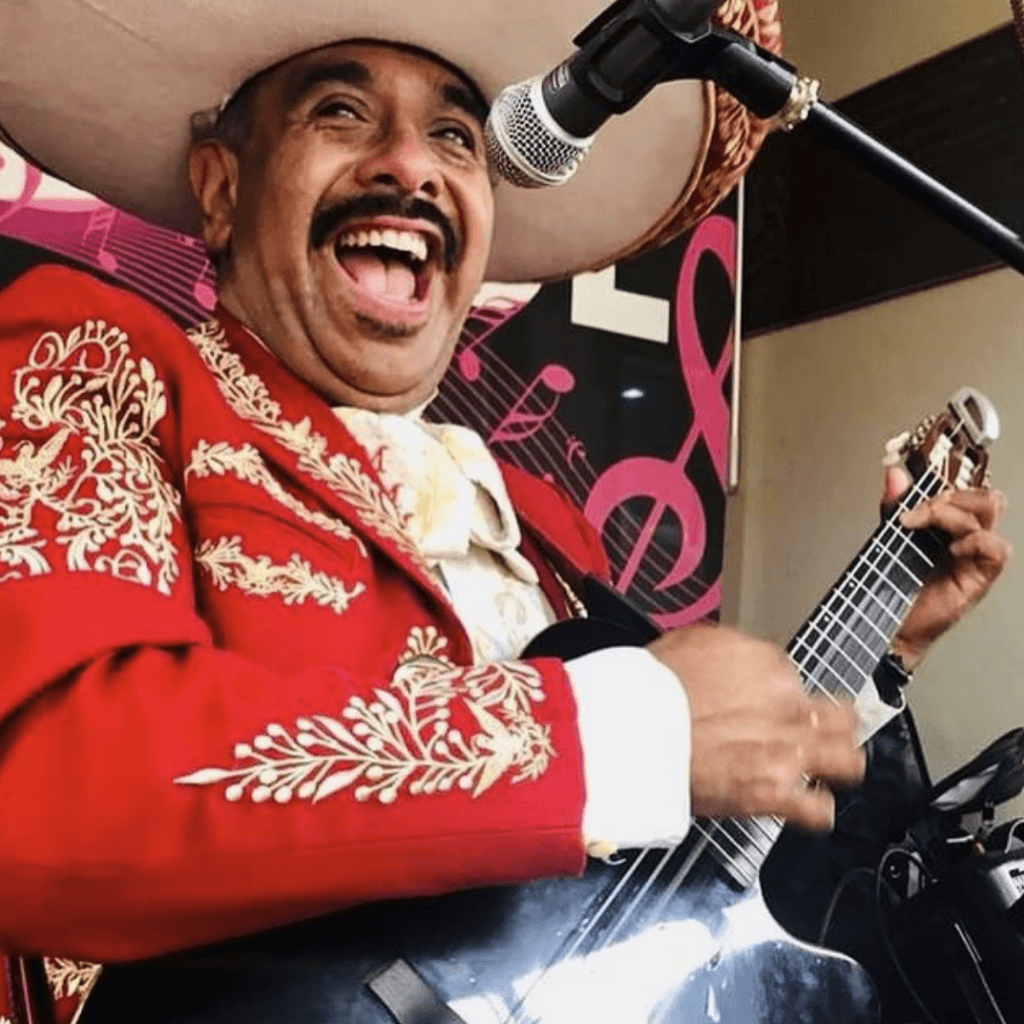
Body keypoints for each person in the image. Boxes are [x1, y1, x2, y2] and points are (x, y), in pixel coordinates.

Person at [0, 3, 1010, 1022]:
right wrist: (620, 731)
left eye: (455, 135)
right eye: (344, 112)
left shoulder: (543, 527)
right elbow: (54, 795)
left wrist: (879, 647)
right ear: (222, 187)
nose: (412, 166)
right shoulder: (98, 364)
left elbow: (694, 869)